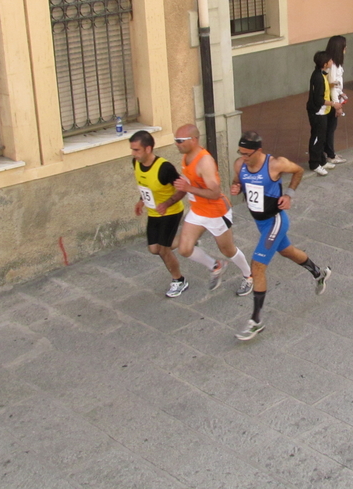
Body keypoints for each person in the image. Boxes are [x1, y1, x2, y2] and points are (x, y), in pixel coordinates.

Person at [230, 131, 332, 340]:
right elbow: (239, 183)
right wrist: (236, 187)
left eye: (247, 153)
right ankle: (319, 273)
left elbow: (298, 171)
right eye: (241, 153)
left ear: (258, 150)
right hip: (260, 223)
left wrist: (289, 195)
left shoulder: (275, 164)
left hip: (276, 220)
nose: (243, 157)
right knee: (287, 251)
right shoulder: (239, 164)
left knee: (257, 266)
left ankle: (256, 321)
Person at [172, 124, 254, 296]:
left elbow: (215, 193)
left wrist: (188, 188)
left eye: (180, 141)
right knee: (185, 248)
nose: (177, 144)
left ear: (193, 140)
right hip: (198, 210)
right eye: (175, 140)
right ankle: (215, 266)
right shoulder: (186, 157)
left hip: (216, 213)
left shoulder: (204, 162)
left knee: (228, 249)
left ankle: (249, 275)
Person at [130, 130, 188, 297]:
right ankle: (188, 240)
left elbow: (182, 190)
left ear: (148, 149)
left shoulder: (165, 168)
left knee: (163, 250)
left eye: (136, 150)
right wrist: (141, 200)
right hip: (153, 212)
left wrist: (167, 204)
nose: (133, 154)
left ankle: (179, 280)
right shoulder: (136, 163)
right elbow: (146, 185)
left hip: (170, 212)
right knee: (153, 249)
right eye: (132, 150)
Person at [306, 51, 342, 176]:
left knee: (322, 137)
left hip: (323, 112)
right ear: (325, 63)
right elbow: (318, 99)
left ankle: (322, 161)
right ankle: (314, 164)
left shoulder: (322, 74)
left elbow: (323, 89)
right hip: (317, 112)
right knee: (317, 138)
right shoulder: (318, 77)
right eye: (330, 61)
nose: (332, 62)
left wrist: (332, 85)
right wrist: (334, 104)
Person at [324, 35, 348, 165]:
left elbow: (336, 85)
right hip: (331, 100)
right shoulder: (333, 65)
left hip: (334, 97)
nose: (346, 48)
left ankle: (329, 152)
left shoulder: (333, 63)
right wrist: (337, 105)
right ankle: (330, 155)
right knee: (330, 127)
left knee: (330, 127)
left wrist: (341, 92)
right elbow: (332, 85)